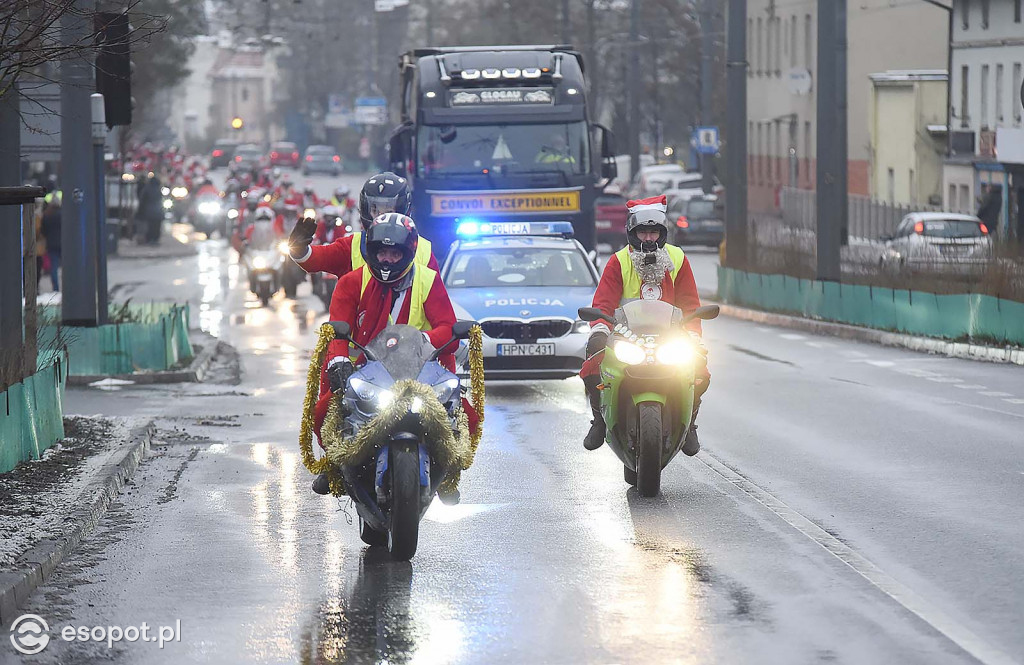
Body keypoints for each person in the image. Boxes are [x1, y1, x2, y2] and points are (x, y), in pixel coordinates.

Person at [310, 213, 466, 499]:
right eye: (381, 252)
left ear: (408, 253)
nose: (387, 260)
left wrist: (425, 340)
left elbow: (447, 325)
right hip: (365, 370)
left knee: (463, 410)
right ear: (371, 252)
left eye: (395, 253)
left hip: (419, 370)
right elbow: (335, 331)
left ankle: (448, 475)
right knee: (323, 409)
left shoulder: (428, 280)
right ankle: (332, 467)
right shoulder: (350, 283)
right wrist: (339, 361)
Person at [580, 194, 709, 454]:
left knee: (700, 370)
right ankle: (599, 421)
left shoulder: (678, 258)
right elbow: (603, 302)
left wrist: (693, 334)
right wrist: (600, 330)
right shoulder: (618, 261)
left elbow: (690, 305)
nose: (648, 238)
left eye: (653, 232)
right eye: (642, 232)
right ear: (632, 233)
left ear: (662, 234)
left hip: (670, 336)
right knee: (592, 364)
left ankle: (690, 422)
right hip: (625, 336)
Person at [287, 172, 439, 277]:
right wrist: (298, 249)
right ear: (366, 210)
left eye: (388, 210)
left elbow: (440, 309)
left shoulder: (424, 251)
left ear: (403, 210)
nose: (381, 216)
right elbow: (314, 260)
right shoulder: (351, 246)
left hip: (408, 326)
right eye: (375, 209)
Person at [40, 196, 62, 291]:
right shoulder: (63, 214)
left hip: (51, 244)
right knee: (68, 267)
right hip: (63, 244)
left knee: (54, 268)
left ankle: (56, 289)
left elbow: (43, 231)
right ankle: (69, 287)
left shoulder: (46, 215)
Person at [137, 174, 165, 244]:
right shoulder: (159, 190)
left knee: (150, 227)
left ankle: (150, 239)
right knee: (157, 227)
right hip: (158, 211)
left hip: (149, 211)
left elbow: (142, 200)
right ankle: (155, 239)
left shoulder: (147, 189)